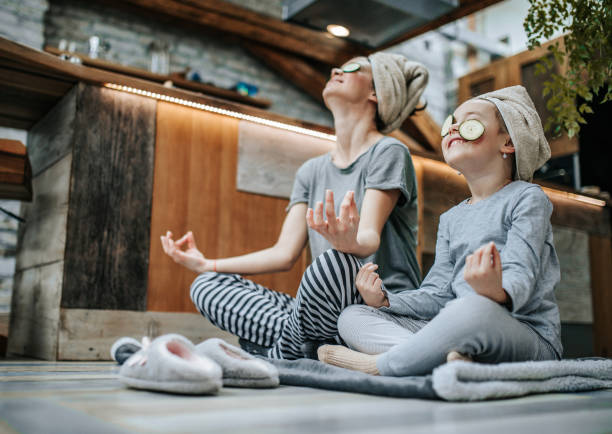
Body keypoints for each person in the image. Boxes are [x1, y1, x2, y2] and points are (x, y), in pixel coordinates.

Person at [160, 53, 429, 360]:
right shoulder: (311, 170)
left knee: (334, 262)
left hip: (377, 306)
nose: (335, 69)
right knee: (207, 286)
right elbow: (283, 254)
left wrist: (348, 243)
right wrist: (208, 264)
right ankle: (310, 348)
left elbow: (368, 239)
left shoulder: (389, 152)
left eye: (353, 67)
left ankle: (283, 351)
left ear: (376, 92)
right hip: (322, 313)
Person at [317, 85, 562, 376]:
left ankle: (383, 365)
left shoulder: (527, 197)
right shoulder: (451, 218)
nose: (455, 129)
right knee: (352, 316)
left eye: (469, 122)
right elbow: (437, 294)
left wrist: (495, 291)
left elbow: (523, 271)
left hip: (521, 332)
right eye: (451, 123)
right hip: (459, 331)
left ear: (507, 142)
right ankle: (445, 360)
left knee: (472, 310)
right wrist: (386, 299)